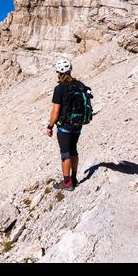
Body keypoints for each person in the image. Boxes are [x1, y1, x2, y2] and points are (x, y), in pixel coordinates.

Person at [47, 59, 93, 192]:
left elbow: (55, 111)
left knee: (65, 153)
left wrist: (50, 126)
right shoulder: (80, 85)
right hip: (78, 124)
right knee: (73, 150)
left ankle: (67, 183)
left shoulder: (59, 88)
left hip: (64, 126)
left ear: (59, 72)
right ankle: (74, 178)